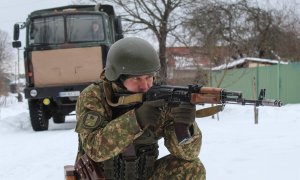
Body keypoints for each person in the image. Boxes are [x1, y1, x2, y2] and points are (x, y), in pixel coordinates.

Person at [75, 37, 206, 179]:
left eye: (149, 77)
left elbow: (189, 154)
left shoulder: (159, 97)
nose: (145, 86)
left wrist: (186, 125)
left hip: (144, 175)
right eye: (136, 78)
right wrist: (136, 120)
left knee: (192, 168)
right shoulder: (94, 96)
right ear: (117, 77)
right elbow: (94, 149)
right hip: (100, 177)